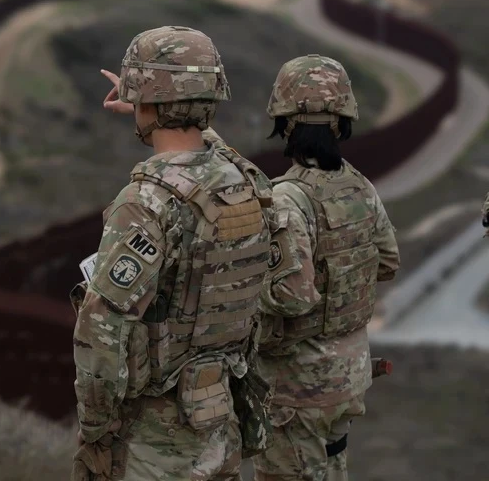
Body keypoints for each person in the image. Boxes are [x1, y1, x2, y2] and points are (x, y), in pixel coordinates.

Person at [72, 26, 274, 481]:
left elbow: (101, 331)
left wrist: (96, 428)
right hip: (221, 424)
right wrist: (157, 104)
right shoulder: (244, 182)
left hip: (155, 442)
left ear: (146, 101)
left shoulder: (144, 203)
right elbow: (217, 153)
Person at [251, 55, 400, 481]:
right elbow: (388, 262)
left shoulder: (286, 198)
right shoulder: (358, 185)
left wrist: (246, 287)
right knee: (332, 464)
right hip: (348, 376)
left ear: (284, 122)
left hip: (297, 387)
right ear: (342, 121)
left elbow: (291, 297)